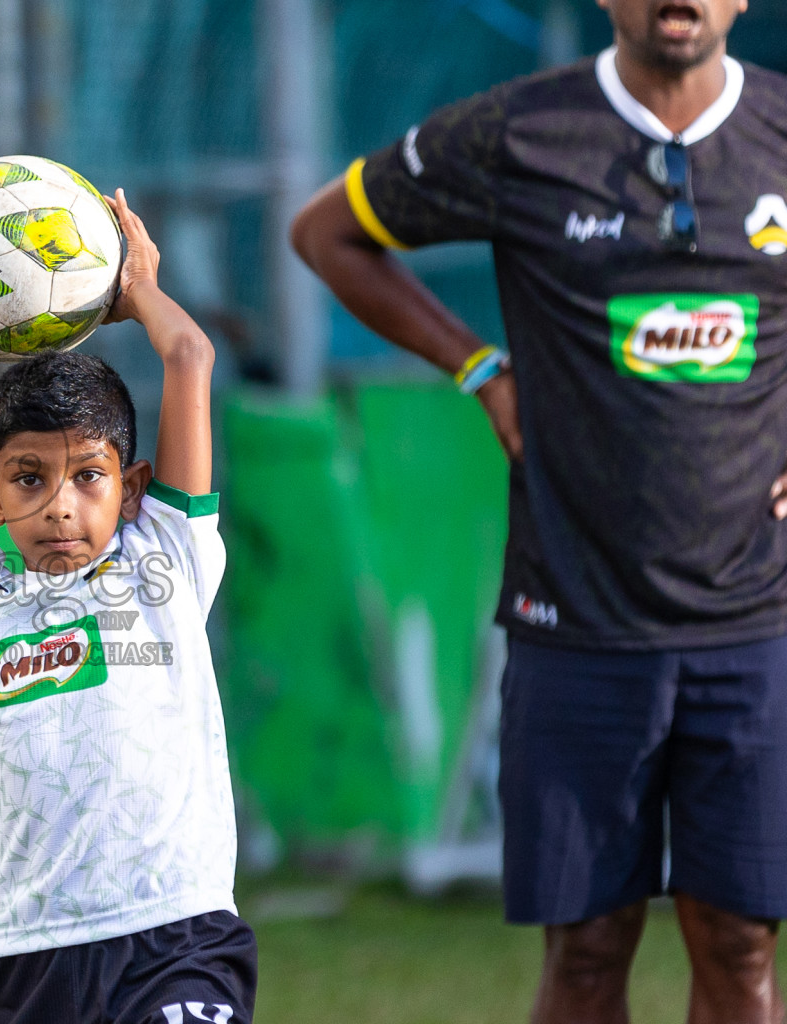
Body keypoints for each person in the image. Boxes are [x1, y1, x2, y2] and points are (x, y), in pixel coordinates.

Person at [291, 1, 787, 1020]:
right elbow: (324, 233)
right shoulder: (518, 130)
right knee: (589, 950)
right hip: (575, 621)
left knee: (739, 945)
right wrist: (479, 368)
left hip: (756, 624)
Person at [0, 194, 256, 1023]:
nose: (61, 504)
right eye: (29, 478)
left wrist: (137, 289)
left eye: (88, 476)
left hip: (175, 935)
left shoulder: (165, 559)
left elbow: (190, 353)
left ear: (131, 488)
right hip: (25, 957)